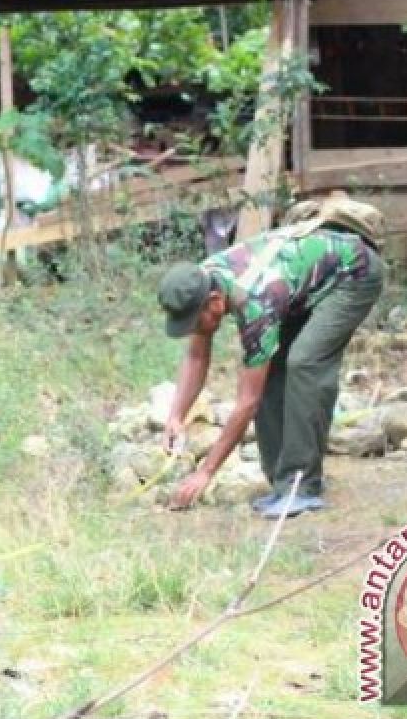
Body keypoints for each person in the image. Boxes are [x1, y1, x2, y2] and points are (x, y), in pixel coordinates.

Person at [157, 209, 384, 519]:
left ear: (214, 302)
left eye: (195, 323)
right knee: (273, 369)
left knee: (305, 363)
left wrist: (205, 473)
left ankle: (301, 487)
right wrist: (175, 416)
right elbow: (197, 356)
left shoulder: (255, 303)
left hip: (354, 272)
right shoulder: (202, 280)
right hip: (297, 287)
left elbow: (247, 403)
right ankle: (281, 481)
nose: (193, 330)